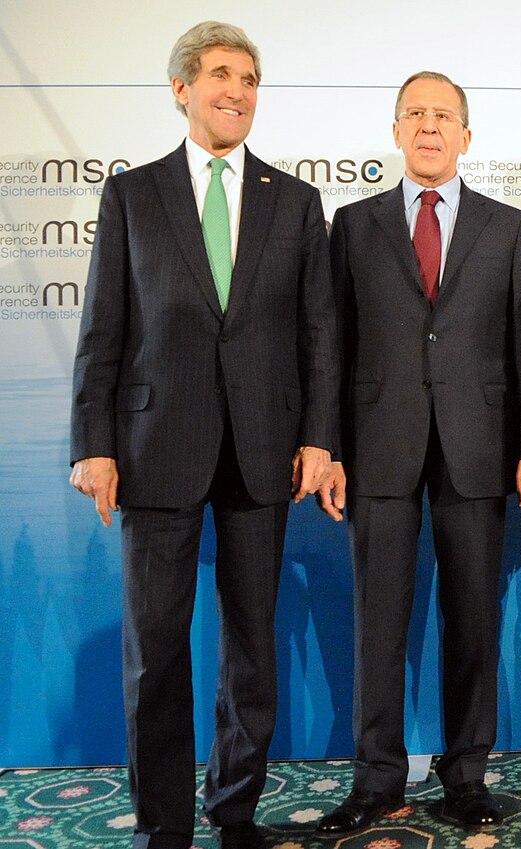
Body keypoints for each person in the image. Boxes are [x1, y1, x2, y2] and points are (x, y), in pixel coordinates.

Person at [68, 21, 338, 849]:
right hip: (154, 450)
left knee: (252, 649)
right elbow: (103, 326)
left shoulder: (295, 201)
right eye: (222, 74)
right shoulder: (132, 194)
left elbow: (319, 332)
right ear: (182, 88)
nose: (238, 90)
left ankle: (233, 809)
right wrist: (92, 444)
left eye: (251, 77)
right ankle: (163, 826)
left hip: (266, 452)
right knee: (155, 653)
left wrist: (321, 439)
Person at [314, 71, 521, 835]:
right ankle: (377, 776)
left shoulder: (509, 226)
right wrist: (332, 448)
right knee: (378, 621)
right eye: (415, 113)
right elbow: (331, 346)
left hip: (478, 449)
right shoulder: (351, 224)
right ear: (394, 130)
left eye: (444, 115)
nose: (429, 126)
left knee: (474, 617)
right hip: (377, 448)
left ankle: (466, 771)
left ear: (467, 137)